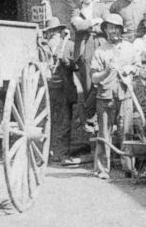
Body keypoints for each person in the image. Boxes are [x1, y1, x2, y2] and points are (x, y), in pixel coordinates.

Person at [89, 14, 139, 179]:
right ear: (106, 30)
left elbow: (139, 68)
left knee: (127, 131)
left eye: (117, 28)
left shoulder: (130, 48)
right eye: (111, 28)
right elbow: (94, 78)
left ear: (122, 30)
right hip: (105, 96)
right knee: (104, 133)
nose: (114, 31)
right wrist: (106, 71)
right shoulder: (100, 51)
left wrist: (131, 69)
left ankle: (128, 167)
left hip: (125, 95)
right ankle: (102, 169)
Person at [40, 18, 82, 167]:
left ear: (60, 31)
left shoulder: (69, 45)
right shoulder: (43, 48)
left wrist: (65, 60)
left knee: (64, 124)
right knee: (48, 122)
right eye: (49, 32)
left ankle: (63, 154)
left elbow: (77, 65)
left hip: (65, 90)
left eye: (54, 31)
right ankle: (49, 153)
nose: (52, 34)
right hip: (48, 90)